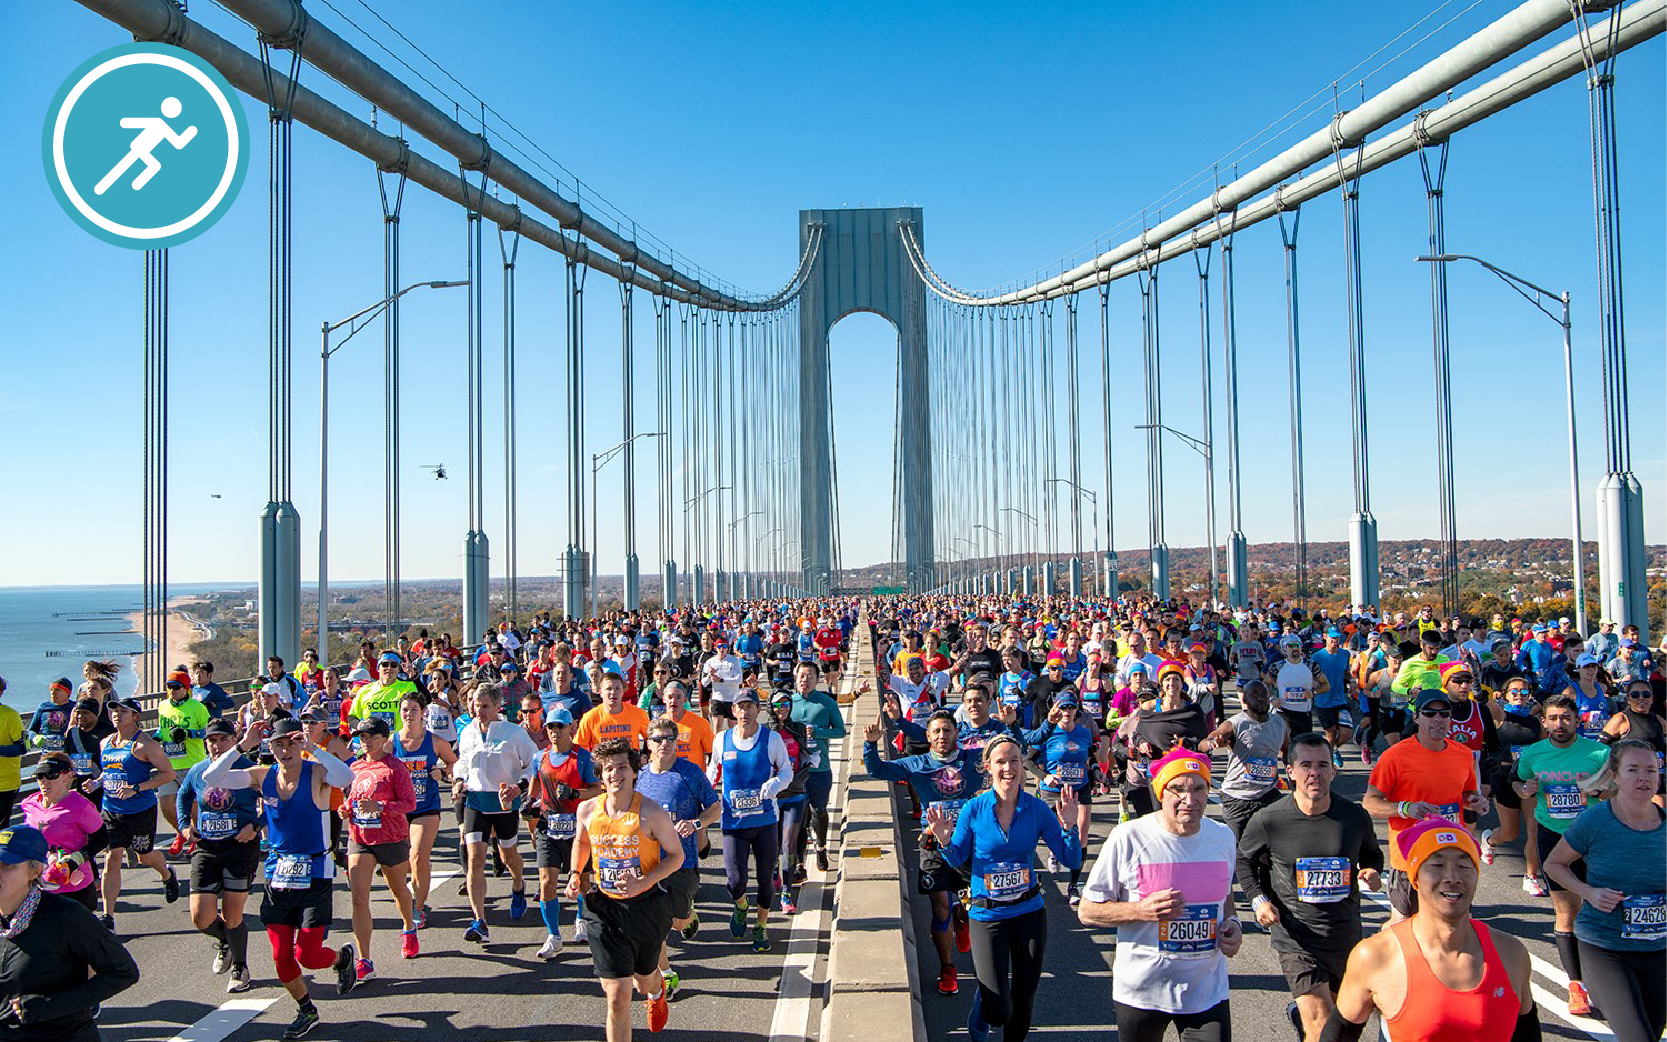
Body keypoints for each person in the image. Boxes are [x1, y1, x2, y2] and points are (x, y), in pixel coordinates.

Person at [201, 718, 358, 1039]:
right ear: (269, 748)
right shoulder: (263, 776)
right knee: (281, 956)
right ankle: (306, 1008)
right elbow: (212, 777)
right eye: (278, 744)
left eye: (291, 743)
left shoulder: (316, 772)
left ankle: (342, 958)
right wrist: (242, 745)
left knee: (309, 956)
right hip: (278, 875)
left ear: (299, 744)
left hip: (315, 873)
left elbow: (346, 776)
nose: (285, 750)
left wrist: (313, 748)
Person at [1327, 817, 1539, 1042]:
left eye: (1464, 866)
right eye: (1437, 865)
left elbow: (1528, 1035)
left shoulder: (1511, 953)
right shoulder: (1376, 956)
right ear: (1415, 877)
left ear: (1477, 876)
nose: (1452, 877)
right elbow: (1339, 1034)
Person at [1078, 748, 1237, 1042]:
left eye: (1199, 788)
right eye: (1178, 789)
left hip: (1206, 992)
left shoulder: (1223, 837)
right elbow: (1087, 911)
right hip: (1142, 993)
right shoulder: (1129, 837)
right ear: (1160, 792)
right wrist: (1140, 911)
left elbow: (1224, 896)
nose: (1190, 800)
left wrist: (1233, 924)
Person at [930, 733, 1080, 1042]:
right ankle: (983, 1007)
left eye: (1015, 761)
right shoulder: (974, 809)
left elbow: (1070, 858)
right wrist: (945, 840)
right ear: (988, 767)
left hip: (1029, 913)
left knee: (1023, 1002)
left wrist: (1069, 826)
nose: (1008, 768)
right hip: (988, 916)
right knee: (998, 1009)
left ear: (1023, 767)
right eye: (1001, 762)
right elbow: (958, 858)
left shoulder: (1037, 809)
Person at [1236, 733, 1383, 1042]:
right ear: (1290, 771)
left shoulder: (1354, 817)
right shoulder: (1269, 820)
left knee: (1343, 1027)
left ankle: (1300, 1019)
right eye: (1305, 765)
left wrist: (1371, 871)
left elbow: (1372, 854)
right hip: (1296, 937)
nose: (1314, 772)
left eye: (1322, 765)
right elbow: (1243, 861)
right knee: (1322, 1021)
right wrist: (1258, 900)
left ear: (1333, 770)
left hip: (1344, 933)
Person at [1544, 740, 1667, 1042]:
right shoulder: (1596, 821)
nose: (1644, 778)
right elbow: (1554, 864)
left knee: (1650, 1034)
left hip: (1659, 950)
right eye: (1633, 769)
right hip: (1607, 947)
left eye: (1651, 770)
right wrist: (1588, 892)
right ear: (1615, 775)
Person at [568, 737, 687, 1041]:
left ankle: (657, 990)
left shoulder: (651, 812)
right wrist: (575, 872)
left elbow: (677, 856)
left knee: (643, 982)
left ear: (635, 771)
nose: (615, 774)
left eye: (622, 767)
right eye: (608, 769)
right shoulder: (587, 810)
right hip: (604, 908)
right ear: (601, 774)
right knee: (617, 996)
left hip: (645, 907)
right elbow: (582, 842)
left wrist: (645, 881)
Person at [864, 708, 986, 994]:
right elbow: (877, 770)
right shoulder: (917, 764)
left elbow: (1010, 751)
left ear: (957, 733)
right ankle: (947, 968)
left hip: (969, 843)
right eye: (937, 732)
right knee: (939, 908)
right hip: (933, 846)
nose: (942, 736)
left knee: (973, 904)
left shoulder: (973, 760)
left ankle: (963, 917)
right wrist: (870, 744)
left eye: (947, 730)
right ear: (928, 737)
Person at [1512, 693, 1610, 1014]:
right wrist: (1523, 790)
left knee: (1600, 910)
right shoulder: (1533, 754)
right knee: (1567, 912)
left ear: (1576, 720)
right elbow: (1517, 780)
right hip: (1553, 838)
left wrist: (1599, 789)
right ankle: (1576, 986)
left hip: (1594, 837)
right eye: (1553, 718)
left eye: (1566, 718)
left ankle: (1608, 977)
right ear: (1544, 722)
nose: (1559, 724)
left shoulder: (1598, 752)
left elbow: (1618, 787)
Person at [0, 825, 139, 1041]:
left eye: (7, 865)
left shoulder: (66, 916)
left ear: (34, 871)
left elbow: (123, 972)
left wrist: (50, 1006)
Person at [1362, 688, 1489, 920]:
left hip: (1449, 853)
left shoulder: (1463, 755)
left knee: (1455, 923)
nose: (1438, 719)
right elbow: (1370, 803)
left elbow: (1466, 797)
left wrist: (1477, 802)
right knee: (1402, 925)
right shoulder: (1396, 756)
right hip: (1409, 855)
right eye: (1430, 713)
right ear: (1417, 717)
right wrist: (1406, 808)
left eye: (1444, 714)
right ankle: (1380, 955)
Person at [635, 714, 721, 998]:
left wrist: (696, 824)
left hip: (682, 861)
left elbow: (715, 808)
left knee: (676, 919)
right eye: (658, 739)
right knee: (654, 923)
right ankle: (667, 974)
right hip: (649, 862)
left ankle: (689, 916)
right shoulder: (641, 777)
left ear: (676, 742)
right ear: (648, 744)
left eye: (670, 739)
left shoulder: (690, 772)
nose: (664, 745)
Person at [175, 719, 260, 993]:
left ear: (234, 740)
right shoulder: (199, 771)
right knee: (200, 918)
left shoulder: (249, 768)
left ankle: (240, 967)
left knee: (233, 915)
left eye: (223, 739)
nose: (217, 745)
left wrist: (256, 825)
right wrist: (184, 825)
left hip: (239, 846)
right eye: (212, 740)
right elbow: (183, 796)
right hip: (207, 848)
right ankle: (226, 941)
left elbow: (276, 800)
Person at [452, 683, 540, 943]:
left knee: (508, 854)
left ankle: (518, 883)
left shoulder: (513, 733)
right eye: (477, 706)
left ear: (497, 706)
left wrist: (519, 786)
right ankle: (479, 921)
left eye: (485, 706)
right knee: (475, 858)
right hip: (476, 800)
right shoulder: (467, 732)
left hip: (504, 802)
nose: (480, 711)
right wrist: (458, 780)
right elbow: (462, 762)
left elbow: (534, 764)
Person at [708, 689, 793, 953]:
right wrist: (706, 790)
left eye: (750, 707)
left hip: (765, 820)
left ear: (758, 710)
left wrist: (775, 784)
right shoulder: (722, 740)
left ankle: (761, 927)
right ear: (733, 711)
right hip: (733, 822)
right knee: (735, 881)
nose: (745, 712)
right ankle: (742, 905)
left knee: (766, 878)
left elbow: (787, 771)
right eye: (740, 707)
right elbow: (713, 770)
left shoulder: (772, 739)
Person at [342, 717, 418, 976]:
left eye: (370, 736)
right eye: (361, 737)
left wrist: (382, 807)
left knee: (398, 889)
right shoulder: (355, 767)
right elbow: (352, 798)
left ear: (384, 739)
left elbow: (409, 804)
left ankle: (409, 926)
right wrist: (346, 809)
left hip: (391, 837)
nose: (365, 742)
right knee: (359, 898)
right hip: (360, 838)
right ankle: (364, 958)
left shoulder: (395, 767)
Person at [526, 706, 601, 958]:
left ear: (572, 727)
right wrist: (528, 806)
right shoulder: (540, 757)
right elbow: (535, 788)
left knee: (583, 880)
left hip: (578, 828)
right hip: (549, 826)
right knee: (546, 881)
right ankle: (553, 936)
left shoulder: (583, 757)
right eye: (551, 727)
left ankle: (581, 917)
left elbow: (597, 789)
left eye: (560, 726)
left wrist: (575, 794)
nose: (555, 731)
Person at [97, 697, 179, 930]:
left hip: (140, 810)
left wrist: (137, 788)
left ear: (136, 717)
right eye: (114, 711)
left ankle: (166, 873)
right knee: (112, 859)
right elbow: (111, 771)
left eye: (123, 711)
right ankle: (108, 917)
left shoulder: (145, 745)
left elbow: (168, 774)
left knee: (144, 856)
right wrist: (97, 782)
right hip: (111, 809)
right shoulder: (106, 743)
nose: (116, 715)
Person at [1018, 697, 1097, 904]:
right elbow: (1028, 761)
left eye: (1071, 707)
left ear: (1076, 709)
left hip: (1080, 788)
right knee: (1052, 831)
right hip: (1052, 791)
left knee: (1081, 834)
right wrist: (1045, 777)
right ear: (1056, 709)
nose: (1067, 711)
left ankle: (1074, 886)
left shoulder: (1084, 733)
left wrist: (1095, 770)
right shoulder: (1048, 732)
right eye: (1063, 707)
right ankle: (1054, 853)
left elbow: (1089, 756)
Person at [394, 692, 455, 932]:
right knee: (402, 862)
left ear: (423, 713)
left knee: (418, 856)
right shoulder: (392, 742)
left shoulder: (436, 742)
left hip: (426, 807)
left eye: (413, 710)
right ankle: (415, 886)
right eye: (405, 710)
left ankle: (418, 908)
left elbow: (453, 763)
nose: (409, 715)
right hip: (398, 809)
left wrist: (443, 772)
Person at [1482, 678, 1547, 895]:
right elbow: (1485, 702)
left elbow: (1545, 747)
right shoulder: (1501, 716)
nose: (1520, 695)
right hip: (1504, 776)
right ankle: (1490, 839)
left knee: (1533, 829)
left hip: (1529, 778)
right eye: (1515, 691)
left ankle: (1531, 877)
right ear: (1505, 694)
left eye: (1525, 692)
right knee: (1510, 834)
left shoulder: (1535, 722)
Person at [1203, 679, 1288, 839]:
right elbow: (1206, 742)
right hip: (1238, 798)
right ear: (1245, 700)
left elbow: (1287, 751)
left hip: (1267, 794)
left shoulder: (1278, 723)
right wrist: (1213, 742)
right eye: (1254, 695)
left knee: (1275, 843)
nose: (1260, 698)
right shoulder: (1235, 724)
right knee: (1239, 851)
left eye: (1263, 694)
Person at [22, 754, 106, 914]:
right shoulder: (29, 805)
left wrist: (75, 859)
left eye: (50, 775)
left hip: (75, 888)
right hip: (40, 886)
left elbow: (102, 838)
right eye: (40, 776)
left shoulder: (80, 806)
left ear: (67, 776)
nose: (44, 781)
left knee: (79, 937)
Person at [788, 661, 848, 874]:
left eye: (809, 676)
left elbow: (841, 731)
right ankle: (799, 864)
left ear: (818, 679)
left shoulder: (826, 703)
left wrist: (819, 731)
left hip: (820, 768)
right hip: (795, 771)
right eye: (801, 676)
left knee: (819, 810)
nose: (805, 680)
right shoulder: (788, 702)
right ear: (796, 678)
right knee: (799, 816)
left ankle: (821, 847)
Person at [764, 692, 814, 912]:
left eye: (786, 703)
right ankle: (775, 870)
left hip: (795, 791)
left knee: (788, 844)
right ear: (770, 706)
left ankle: (786, 892)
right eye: (778, 704)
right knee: (774, 844)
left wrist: (807, 765)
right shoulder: (764, 731)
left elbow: (808, 752)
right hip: (773, 794)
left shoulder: (798, 728)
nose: (782, 708)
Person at [157, 670, 210, 858]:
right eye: (169, 687)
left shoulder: (197, 707)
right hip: (169, 764)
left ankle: (197, 839)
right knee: (166, 805)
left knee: (194, 807)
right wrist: (154, 738)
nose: (172, 690)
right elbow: (161, 729)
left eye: (176, 687)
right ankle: (181, 832)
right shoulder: (162, 706)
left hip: (192, 764)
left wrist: (189, 734)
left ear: (186, 688)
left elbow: (208, 731)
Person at [575, 672, 652, 754]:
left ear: (623, 691)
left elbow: (652, 739)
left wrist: (645, 757)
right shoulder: (590, 718)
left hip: (630, 764)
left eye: (617, 689)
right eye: (609, 689)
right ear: (600, 692)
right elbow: (579, 748)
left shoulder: (638, 714)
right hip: (602, 764)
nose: (613, 692)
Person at [348, 653, 419, 731]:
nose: (389, 668)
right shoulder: (364, 690)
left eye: (394, 665)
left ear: (398, 669)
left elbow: (425, 701)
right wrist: (359, 726)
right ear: (378, 668)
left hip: (397, 740)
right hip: (373, 740)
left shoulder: (408, 687)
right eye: (385, 664)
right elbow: (352, 716)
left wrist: (413, 676)